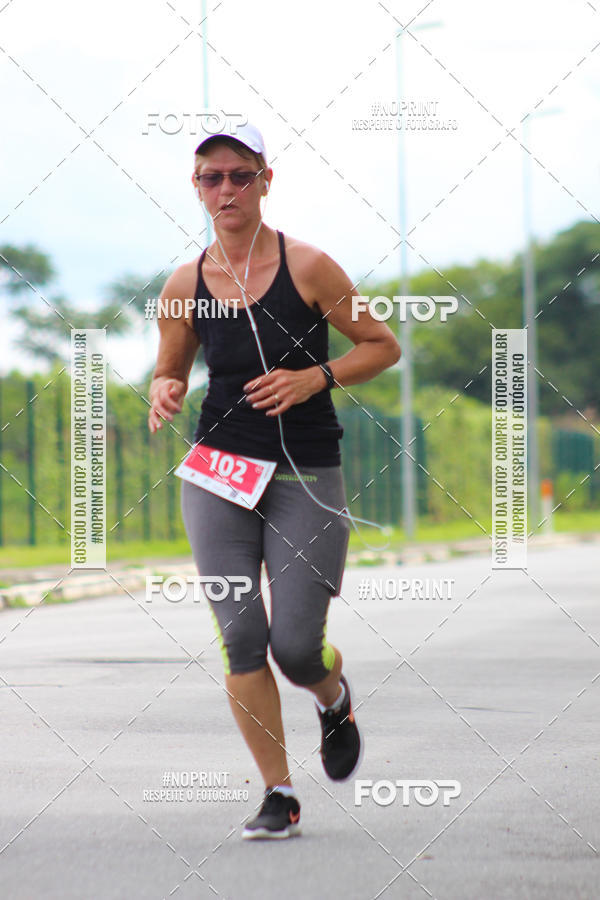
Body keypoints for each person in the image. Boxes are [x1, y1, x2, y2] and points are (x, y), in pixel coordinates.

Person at [148, 122, 401, 839]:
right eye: (210, 178)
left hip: (304, 474)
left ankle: (332, 695)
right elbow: (170, 365)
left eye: (238, 174)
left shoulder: (312, 266)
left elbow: (383, 346)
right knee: (240, 636)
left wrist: (312, 377)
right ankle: (279, 793)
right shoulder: (184, 282)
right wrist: (164, 390)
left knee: (295, 646)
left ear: (265, 179)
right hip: (218, 472)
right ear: (196, 189)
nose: (225, 189)